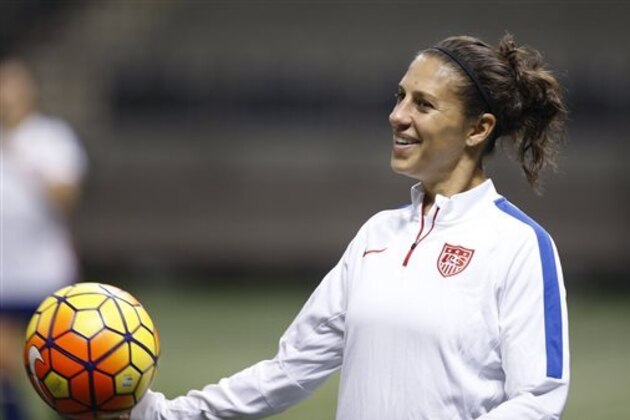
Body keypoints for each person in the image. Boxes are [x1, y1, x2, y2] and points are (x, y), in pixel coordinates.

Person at [130, 34, 570, 420]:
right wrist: (166, 414)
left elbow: (538, 399)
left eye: (423, 104)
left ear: (478, 128)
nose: (398, 115)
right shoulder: (377, 235)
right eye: (400, 96)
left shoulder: (518, 244)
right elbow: (290, 369)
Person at [0, 58, 88, 419]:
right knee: (5, 370)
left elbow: (67, 199)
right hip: (4, 277)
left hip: (47, 275)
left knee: (63, 368)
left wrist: (26, 160)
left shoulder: (51, 137)